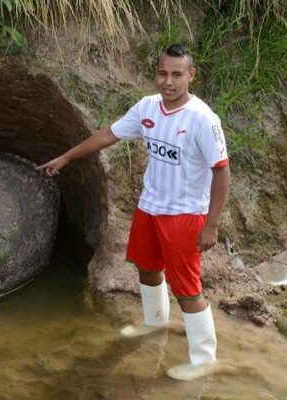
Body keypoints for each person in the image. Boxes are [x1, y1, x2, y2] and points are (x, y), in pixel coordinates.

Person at [37, 43, 230, 381]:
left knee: (187, 288)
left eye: (176, 74)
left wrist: (211, 225)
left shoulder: (203, 119)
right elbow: (108, 135)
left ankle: (204, 360)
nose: (168, 81)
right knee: (147, 269)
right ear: (155, 74)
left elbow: (221, 171)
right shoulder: (147, 108)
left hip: (185, 216)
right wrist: (66, 158)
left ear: (191, 76)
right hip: (149, 208)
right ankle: (155, 323)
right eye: (162, 73)